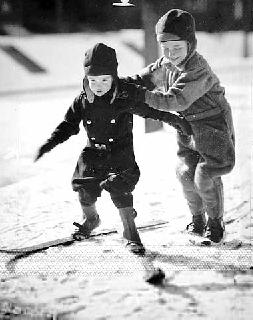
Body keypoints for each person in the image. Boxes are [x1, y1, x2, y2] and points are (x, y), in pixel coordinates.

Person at [34, 42, 192, 254]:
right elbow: (68, 125)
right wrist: (50, 143)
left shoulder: (123, 98)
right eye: (92, 80)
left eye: (104, 80)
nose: (98, 85)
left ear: (114, 77)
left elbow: (150, 111)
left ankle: (131, 233)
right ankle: (91, 220)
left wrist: (174, 120)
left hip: (120, 153)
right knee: (84, 189)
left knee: (120, 190)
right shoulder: (82, 100)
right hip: (93, 153)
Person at [122, 9, 235, 244]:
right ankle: (198, 220)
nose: (171, 54)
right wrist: (117, 84)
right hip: (188, 126)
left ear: (190, 44)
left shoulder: (197, 69)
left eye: (177, 48)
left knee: (205, 175)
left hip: (212, 126)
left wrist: (141, 95)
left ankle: (216, 223)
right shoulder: (165, 64)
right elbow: (142, 79)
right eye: (166, 48)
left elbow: (175, 100)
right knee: (185, 173)